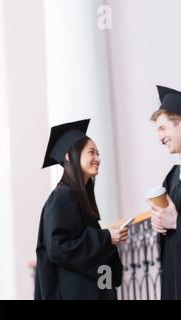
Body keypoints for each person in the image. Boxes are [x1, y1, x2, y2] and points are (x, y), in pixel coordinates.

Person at [35, 119, 127, 300]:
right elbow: (58, 248)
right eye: (91, 152)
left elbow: (99, 263)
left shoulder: (79, 199)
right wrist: (107, 237)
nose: (98, 158)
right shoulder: (62, 197)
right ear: (69, 156)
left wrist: (109, 243)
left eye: (98, 153)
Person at [149, 85, 181, 299]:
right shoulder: (171, 177)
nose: (159, 138)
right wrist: (159, 223)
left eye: (162, 128)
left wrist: (176, 222)